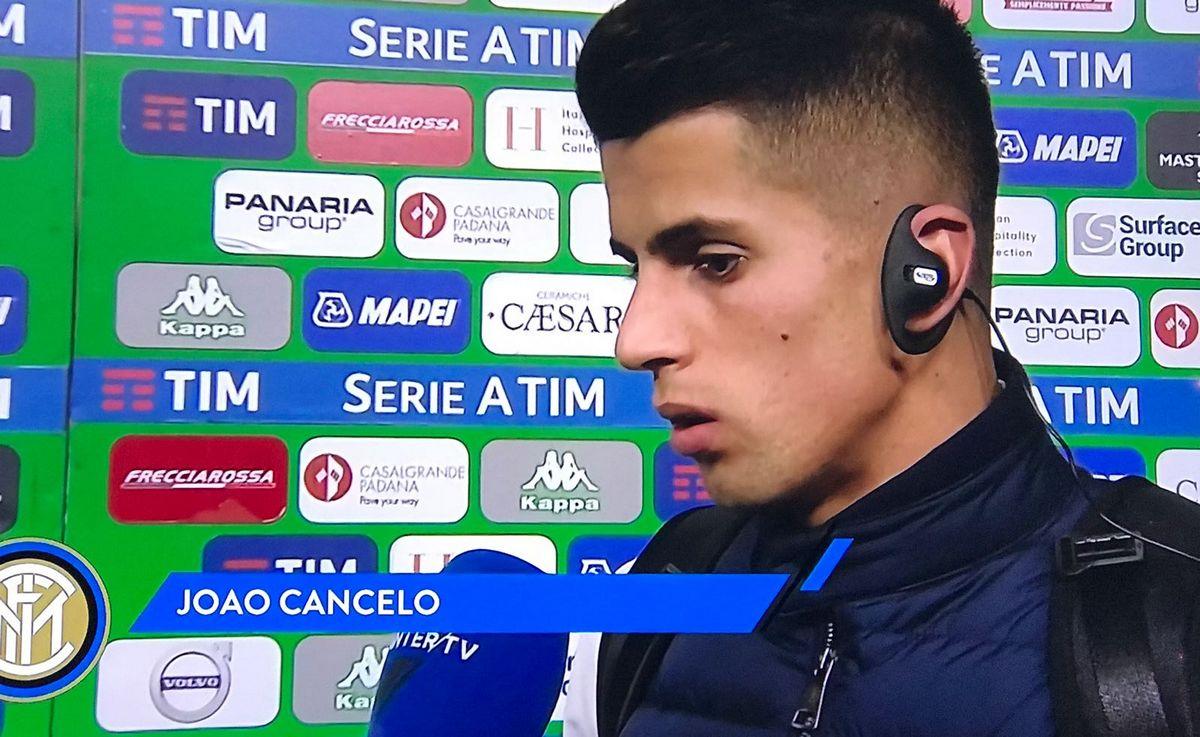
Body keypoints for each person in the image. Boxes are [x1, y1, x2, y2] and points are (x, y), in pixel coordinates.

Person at [562, 1, 1200, 736]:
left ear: (925, 272)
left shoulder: (1175, 635)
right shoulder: (660, 598)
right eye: (634, 266)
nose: (636, 339)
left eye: (715, 261)